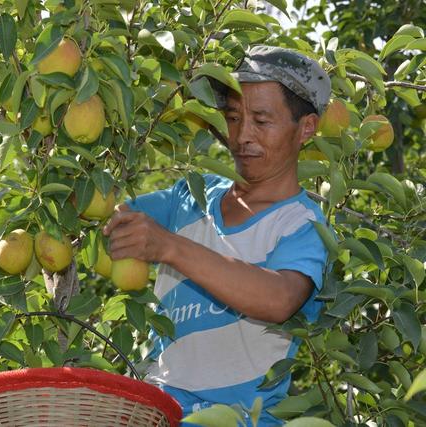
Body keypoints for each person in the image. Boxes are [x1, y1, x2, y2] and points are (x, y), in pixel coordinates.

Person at [103, 45, 332, 426]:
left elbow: (279, 299)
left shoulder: (302, 223)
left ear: (306, 127)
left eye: (261, 120)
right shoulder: (189, 195)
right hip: (156, 412)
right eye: (233, 117)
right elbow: (102, 214)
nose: (242, 135)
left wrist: (169, 246)